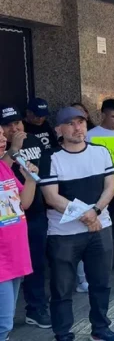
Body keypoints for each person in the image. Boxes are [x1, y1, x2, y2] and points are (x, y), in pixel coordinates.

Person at [40, 107, 114, 341]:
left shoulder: (101, 152)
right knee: (62, 288)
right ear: (59, 129)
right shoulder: (50, 157)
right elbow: (52, 197)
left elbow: (111, 187)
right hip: (63, 234)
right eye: (71, 124)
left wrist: (95, 212)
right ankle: (63, 333)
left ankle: (100, 329)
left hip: (100, 227)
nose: (78, 128)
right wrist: (87, 216)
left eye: (81, 122)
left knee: (101, 283)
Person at [0, 105, 52, 329]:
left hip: (28, 219)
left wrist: (32, 179)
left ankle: (36, 308)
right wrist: (13, 149)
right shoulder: (8, 153)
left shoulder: (34, 141)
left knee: (34, 265)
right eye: (6, 126)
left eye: (17, 123)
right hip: (7, 232)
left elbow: (22, 197)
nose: (14, 129)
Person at [0, 125, 40, 341]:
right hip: (1, 258)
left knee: (6, 320)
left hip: (16, 253)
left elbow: (24, 203)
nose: (1, 139)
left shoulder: (3, 168)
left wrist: (31, 179)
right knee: (3, 323)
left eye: (0, 134)